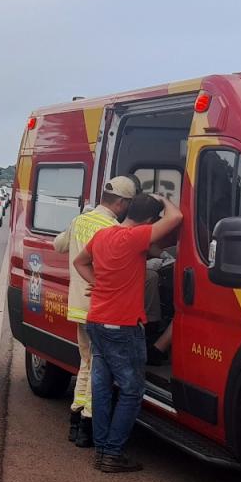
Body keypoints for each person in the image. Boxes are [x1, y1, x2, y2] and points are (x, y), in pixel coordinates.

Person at [73, 193, 182, 472]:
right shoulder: (135, 237)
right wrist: (163, 197)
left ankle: (101, 450)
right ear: (148, 220)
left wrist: (98, 283)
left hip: (96, 320)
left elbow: (79, 262)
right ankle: (112, 453)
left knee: (101, 386)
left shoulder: (104, 235)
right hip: (122, 325)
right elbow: (176, 217)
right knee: (132, 390)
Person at [51, 176, 137, 447]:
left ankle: (75, 419)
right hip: (100, 308)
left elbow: (58, 245)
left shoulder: (80, 221)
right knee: (98, 367)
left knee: (85, 363)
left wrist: (76, 222)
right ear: (122, 203)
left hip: (77, 306)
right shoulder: (111, 228)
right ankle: (88, 422)